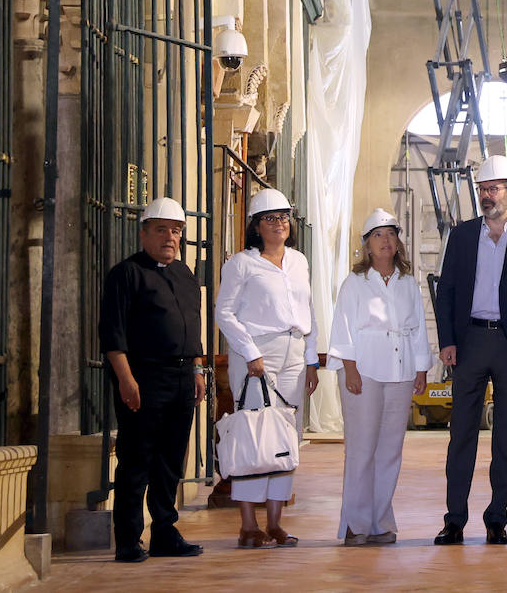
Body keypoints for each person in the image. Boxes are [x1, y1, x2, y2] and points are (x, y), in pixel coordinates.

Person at [433, 155, 507, 546]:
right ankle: (454, 520)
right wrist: (447, 339)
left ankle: (497, 517)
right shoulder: (463, 235)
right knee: (461, 433)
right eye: (482, 189)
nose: (487, 195)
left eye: (493, 189)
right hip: (469, 342)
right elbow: (446, 290)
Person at [98, 196, 206, 563]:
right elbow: (112, 334)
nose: (170, 237)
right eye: (161, 230)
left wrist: (197, 368)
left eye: (176, 231)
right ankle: (128, 539)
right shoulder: (126, 274)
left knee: (171, 461)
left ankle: (165, 531)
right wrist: (126, 380)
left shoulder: (185, 275)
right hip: (144, 377)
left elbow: (194, 326)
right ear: (144, 233)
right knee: (137, 459)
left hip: (181, 379)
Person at [215, 189, 321, 548]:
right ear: (256, 226)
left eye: (283, 217)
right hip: (256, 356)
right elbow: (223, 313)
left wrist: (310, 360)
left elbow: (308, 312)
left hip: (294, 352)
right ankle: (248, 524)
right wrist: (249, 353)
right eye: (271, 218)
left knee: (285, 437)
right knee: (253, 436)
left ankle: (275, 521)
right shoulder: (241, 264)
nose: (279, 224)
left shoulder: (299, 261)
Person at [328, 208, 433, 546]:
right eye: (378, 235)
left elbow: (417, 328)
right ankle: (355, 525)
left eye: (391, 234)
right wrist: (350, 369)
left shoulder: (407, 283)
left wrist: (421, 368)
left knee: (390, 450)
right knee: (361, 449)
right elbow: (342, 327)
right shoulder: (355, 283)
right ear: (367, 245)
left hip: (400, 372)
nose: (386, 241)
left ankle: (380, 520)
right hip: (366, 371)